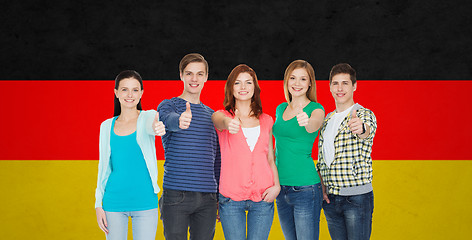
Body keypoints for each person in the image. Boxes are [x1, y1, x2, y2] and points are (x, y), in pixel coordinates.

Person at [94, 70, 166, 240]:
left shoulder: (149, 117)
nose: (130, 95)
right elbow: (103, 168)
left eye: (135, 90)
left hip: (145, 201)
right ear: (116, 92)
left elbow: (156, 124)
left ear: (141, 93)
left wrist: (159, 128)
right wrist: (98, 204)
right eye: (125, 89)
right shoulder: (106, 127)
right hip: (113, 202)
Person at [212, 64, 280, 240]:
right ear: (231, 88)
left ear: (255, 88)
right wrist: (228, 124)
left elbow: (270, 158)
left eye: (248, 83)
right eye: (237, 83)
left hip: (264, 196)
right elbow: (218, 121)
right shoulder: (223, 116)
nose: (243, 87)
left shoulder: (266, 120)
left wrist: (277, 186)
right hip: (231, 198)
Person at [157, 53, 221, 240]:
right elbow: (166, 120)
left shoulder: (212, 116)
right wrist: (180, 120)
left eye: (200, 74)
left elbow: (216, 160)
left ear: (206, 77)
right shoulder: (169, 106)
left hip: (208, 198)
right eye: (189, 73)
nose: (194, 79)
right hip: (176, 195)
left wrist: (218, 198)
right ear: (181, 75)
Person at [317, 63, 377, 240]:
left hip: (356, 199)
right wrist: (322, 186)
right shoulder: (326, 120)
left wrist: (362, 128)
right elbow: (322, 159)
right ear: (330, 87)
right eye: (335, 83)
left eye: (345, 83)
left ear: (354, 86)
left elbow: (368, 131)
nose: (340, 88)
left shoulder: (363, 114)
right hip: (331, 200)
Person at [272, 60, 325, 240]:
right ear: (286, 81)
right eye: (293, 78)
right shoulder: (280, 109)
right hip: (281, 189)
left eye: (303, 79)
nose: (297, 83)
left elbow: (314, 125)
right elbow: (275, 149)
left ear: (310, 83)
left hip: (305, 189)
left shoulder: (316, 109)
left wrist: (307, 121)